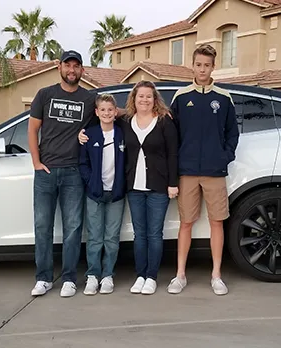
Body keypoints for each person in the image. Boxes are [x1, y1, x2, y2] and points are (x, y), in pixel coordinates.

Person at [79, 80, 179, 295]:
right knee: (139, 233)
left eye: (148, 96)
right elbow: (104, 116)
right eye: (140, 95)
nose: (144, 99)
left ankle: (151, 276)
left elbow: (172, 154)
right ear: (134, 98)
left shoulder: (164, 121)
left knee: (154, 233)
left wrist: (173, 183)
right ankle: (140, 275)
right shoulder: (126, 121)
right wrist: (82, 133)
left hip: (159, 186)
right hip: (133, 187)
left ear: (155, 99)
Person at [165, 44, 239, 296]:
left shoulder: (224, 98)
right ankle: (180, 275)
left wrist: (224, 157)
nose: (202, 69)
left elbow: (232, 133)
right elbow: (171, 134)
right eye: (198, 64)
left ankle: (216, 275)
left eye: (207, 65)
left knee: (216, 222)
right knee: (186, 222)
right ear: (193, 65)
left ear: (213, 66)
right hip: (186, 171)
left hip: (214, 172)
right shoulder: (181, 96)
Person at [28, 50, 101, 298]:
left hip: (73, 172)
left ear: (82, 70)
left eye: (76, 66)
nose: (72, 70)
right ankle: (44, 278)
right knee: (42, 226)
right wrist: (36, 162)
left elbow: (112, 111)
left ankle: (69, 278)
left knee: (72, 228)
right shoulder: (45, 95)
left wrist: (144, 110)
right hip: (46, 172)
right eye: (67, 65)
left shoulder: (89, 98)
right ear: (59, 67)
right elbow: (32, 129)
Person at [78, 93, 126, 295]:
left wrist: (122, 184)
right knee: (95, 237)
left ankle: (107, 275)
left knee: (112, 238)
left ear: (115, 112)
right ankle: (92, 275)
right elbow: (83, 163)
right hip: (95, 194)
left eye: (110, 110)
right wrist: (92, 182)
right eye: (103, 110)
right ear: (97, 112)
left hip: (116, 194)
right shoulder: (90, 135)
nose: (107, 113)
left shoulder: (123, 134)